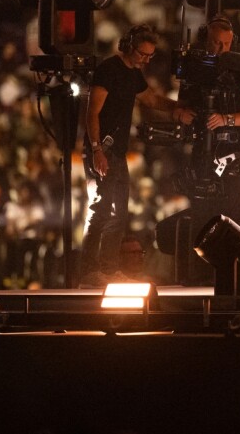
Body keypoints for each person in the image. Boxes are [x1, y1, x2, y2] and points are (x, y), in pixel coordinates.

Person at [82, 24, 194, 286]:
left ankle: (107, 271)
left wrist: (178, 108)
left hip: (118, 153)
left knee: (118, 215)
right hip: (103, 150)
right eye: (142, 54)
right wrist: (97, 150)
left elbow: (152, 100)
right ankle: (89, 273)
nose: (145, 60)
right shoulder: (108, 70)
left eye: (150, 56)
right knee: (100, 212)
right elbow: (92, 113)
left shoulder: (133, 74)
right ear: (128, 46)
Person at [178, 16, 240, 226]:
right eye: (217, 42)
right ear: (206, 40)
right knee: (201, 214)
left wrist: (226, 120)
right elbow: (181, 105)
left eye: (226, 43)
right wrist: (180, 114)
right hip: (201, 149)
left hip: (232, 153)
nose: (221, 48)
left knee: (231, 216)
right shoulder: (194, 69)